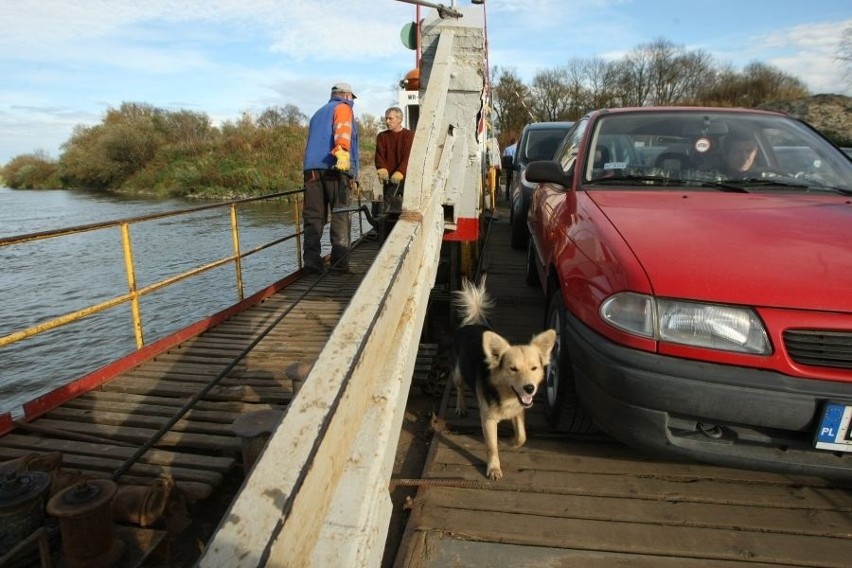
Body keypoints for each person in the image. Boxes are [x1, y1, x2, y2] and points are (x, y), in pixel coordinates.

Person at [302, 82, 359, 274]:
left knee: (313, 217)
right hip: (335, 168)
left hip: (311, 171)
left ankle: (311, 262)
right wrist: (342, 153)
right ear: (346, 95)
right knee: (341, 214)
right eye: (352, 98)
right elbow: (342, 131)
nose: (353, 102)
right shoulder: (343, 108)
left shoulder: (317, 113)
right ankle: (339, 263)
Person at [375, 106, 415, 216]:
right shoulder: (382, 136)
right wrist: (381, 168)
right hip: (388, 181)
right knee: (388, 211)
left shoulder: (409, 135)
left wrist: (401, 172)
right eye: (386, 119)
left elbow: (408, 157)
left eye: (390, 119)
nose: (387, 121)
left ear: (399, 119)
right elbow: (379, 156)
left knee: (404, 210)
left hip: (405, 180)